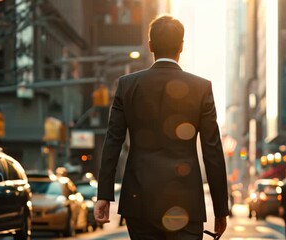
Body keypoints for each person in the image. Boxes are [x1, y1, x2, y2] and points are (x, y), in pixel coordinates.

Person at [94, 14, 229, 240]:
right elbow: (212, 151)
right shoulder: (201, 88)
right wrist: (221, 210)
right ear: (182, 46)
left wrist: (104, 195)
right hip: (186, 203)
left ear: (150, 45)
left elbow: (112, 142)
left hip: (140, 200)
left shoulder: (127, 86)